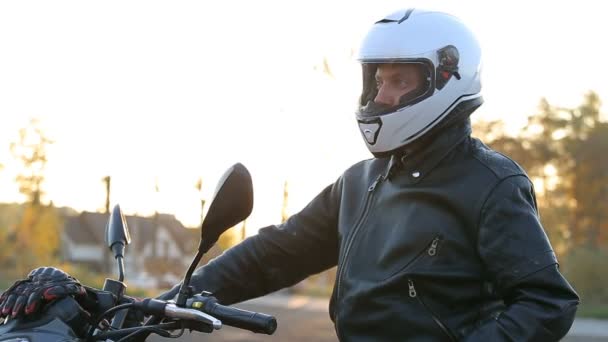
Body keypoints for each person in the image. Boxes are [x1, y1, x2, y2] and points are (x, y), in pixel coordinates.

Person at [0, 8, 579, 341]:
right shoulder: (360, 183)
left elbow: (546, 301)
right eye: (377, 80)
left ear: (446, 80)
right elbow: (276, 252)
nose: (382, 93)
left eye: (400, 80)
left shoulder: (490, 184)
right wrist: (166, 302)